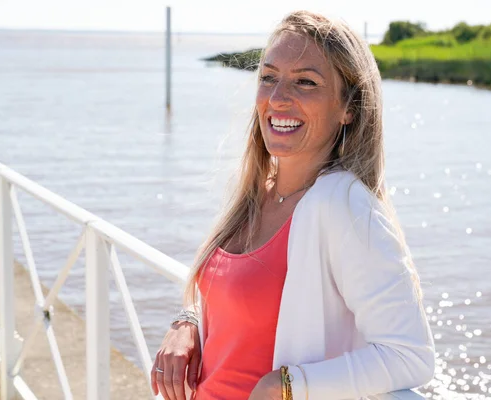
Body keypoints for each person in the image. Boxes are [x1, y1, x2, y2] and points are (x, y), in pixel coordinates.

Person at [151, 10, 435, 400]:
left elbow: (409, 355)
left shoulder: (342, 204)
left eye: (305, 82)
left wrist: (286, 385)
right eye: (268, 78)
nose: (278, 98)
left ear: (348, 107)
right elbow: (239, 305)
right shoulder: (258, 191)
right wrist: (188, 321)